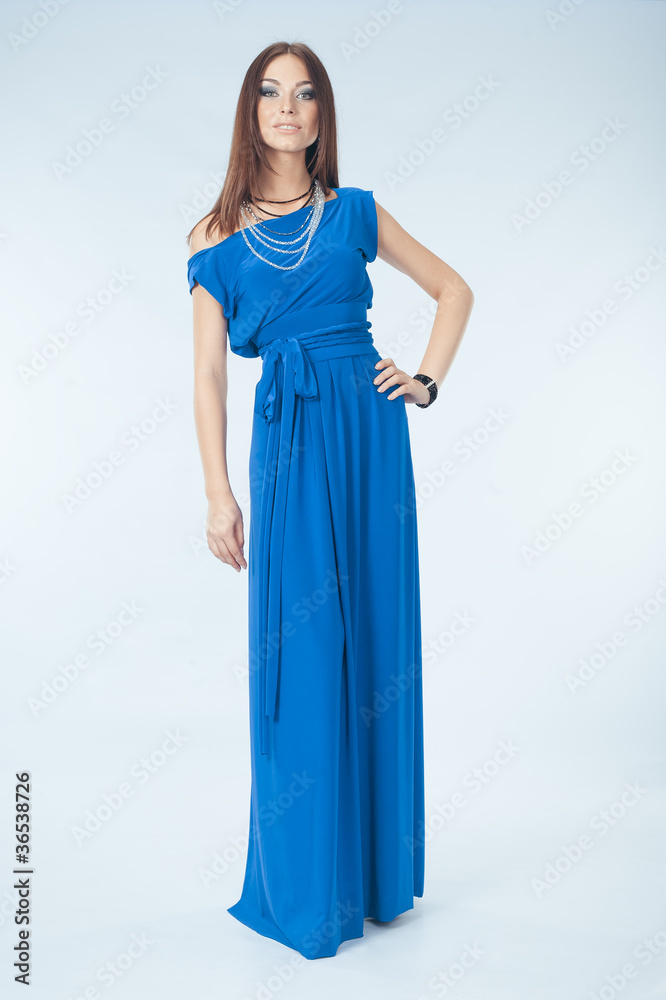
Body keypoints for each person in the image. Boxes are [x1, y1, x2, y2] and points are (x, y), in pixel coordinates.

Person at [186, 41, 473, 960]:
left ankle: (381, 881)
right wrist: (219, 493)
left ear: (322, 115)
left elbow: (453, 290)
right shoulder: (213, 239)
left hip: (370, 438)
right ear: (250, 110)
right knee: (301, 656)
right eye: (271, 92)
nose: (287, 106)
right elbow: (205, 380)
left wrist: (423, 382)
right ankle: (309, 890)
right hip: (291, 444)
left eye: (305, 93)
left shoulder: (354, 212)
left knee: (380, 641)